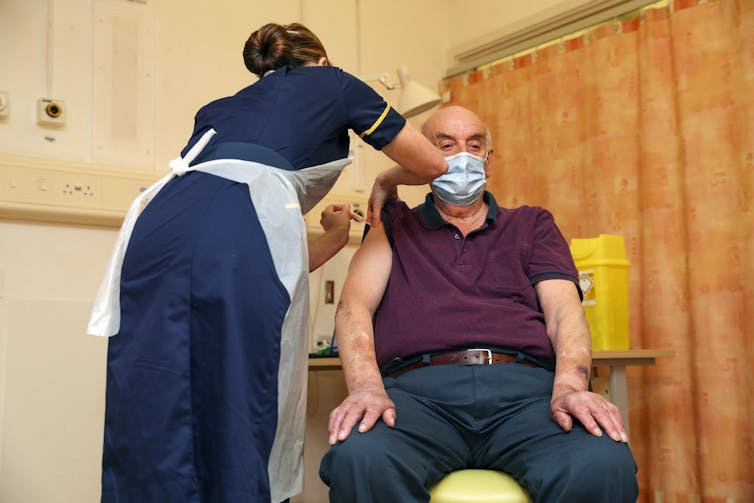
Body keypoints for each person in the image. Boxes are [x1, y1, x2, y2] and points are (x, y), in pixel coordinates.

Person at [87, 22, 447, 503]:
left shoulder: (218, 111)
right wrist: (384, 181)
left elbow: (253, 264)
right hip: (237, 229)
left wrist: (336, 237)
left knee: (158, 383)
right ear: (321, 59)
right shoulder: (334, 81)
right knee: (241, 387)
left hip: (155, 229)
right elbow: (431, 164)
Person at [319, 106, 638, 502]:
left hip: (526, 396)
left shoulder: (532, 225)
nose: (463, 156)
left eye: (474, 145)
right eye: (446, 145)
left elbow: (564, 312)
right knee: (361, 457)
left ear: (489, 160)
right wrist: (366, 388)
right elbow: (353, 308)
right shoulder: (395, 225)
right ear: (423, 157)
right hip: (419, 397)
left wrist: (570, 387)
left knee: (602, 462)